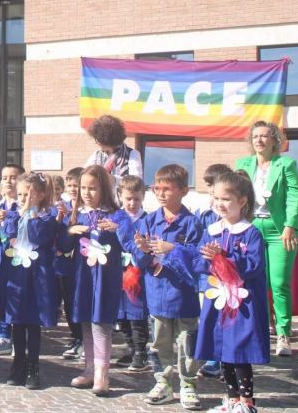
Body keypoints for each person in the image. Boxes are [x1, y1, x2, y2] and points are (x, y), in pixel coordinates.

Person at [194, 171, 269, 413]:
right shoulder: (212, 230)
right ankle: (230, 399)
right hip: (219, 299)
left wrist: (225, 258)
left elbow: (254, 265)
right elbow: (200, 262)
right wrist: (209, 258)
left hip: (242, 303)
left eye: (226, 199)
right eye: (216, 198)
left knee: (239, 349)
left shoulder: (251, 232)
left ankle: (247, 402)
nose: (220, 204)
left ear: (243, 201)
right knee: (222, 349)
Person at [134, 164, 203, 410]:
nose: (161, 193)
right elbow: (139, 259)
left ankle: (188, 384)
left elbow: (198, 258)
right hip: (158, 293)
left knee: (187, 342)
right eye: (157, 188)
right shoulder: (149, 221)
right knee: (159, 342)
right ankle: (163, 382)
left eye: (167, 189)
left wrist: (173, 249)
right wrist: (142, 251)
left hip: (184, 295)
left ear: (183, 190)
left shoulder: (192, 223)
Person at [235, 120, 298, 356]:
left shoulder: (286, 163)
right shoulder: (242, 163)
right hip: (252, 228)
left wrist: (290, 225)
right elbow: (234, 194)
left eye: (265, 136)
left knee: (278, 283)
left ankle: (284, 334)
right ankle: (260, 330)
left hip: (279, 230)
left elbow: (295, 196)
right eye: (255, 136)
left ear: (275, 140)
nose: (259, 140)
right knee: (255, 282)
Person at [67, 166, 127, 395]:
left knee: (100, 323)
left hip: (105, 277)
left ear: (104, 188)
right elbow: (63, 247)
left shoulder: (115, 215)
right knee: (85, 321)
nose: (86, 193)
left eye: (92, 188)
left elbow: (126, 241)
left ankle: (102, 373)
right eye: (83, 188)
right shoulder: (78, 214)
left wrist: (116, 229)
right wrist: (70, 230)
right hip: (83, 277)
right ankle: (89, 368)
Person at [1, 173, 60, 390]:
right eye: (21, 195)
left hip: (38, 274)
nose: (24, 199)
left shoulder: (46, 217)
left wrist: (32, 214)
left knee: (33, 322)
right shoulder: (14, 214)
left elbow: (37, 237)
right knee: (17, 320)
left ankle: (33, 366)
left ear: (41, 195)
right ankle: (18, 364)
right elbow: (9, 233)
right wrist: (20, 212)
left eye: (30, 195)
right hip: (18, 273)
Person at [196, 163, 233, 379]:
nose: (210, 189)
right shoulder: (204, 214)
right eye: (208, 185)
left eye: (214, 184)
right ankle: (212, 359)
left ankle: (226, 359)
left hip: (228, 278)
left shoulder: (234, 214)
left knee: (226, 319)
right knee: (208, 318)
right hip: (207, 277)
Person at [0, 163, 24, 356]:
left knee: (16, 295)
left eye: (13, 177)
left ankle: (17, 337)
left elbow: (31, 217)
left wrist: (10, 215)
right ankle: (4, 335)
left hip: (17, 257)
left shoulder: (23, 205)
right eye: (5, 177)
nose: (9, 181)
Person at [114, 175, 151, 372]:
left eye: (136, 199)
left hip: (138, 273)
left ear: (143, 196)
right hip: (118, 271)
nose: (132, 203)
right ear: (120, 196)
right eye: (128, 198)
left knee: (137, 314)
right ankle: (130, 348)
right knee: (121, 315)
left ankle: (141, 352)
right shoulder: (116, 217)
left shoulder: (147, 220)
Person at [57, 166, 84, 359]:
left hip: (82, 263)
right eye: (70, 185)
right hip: (65, 264)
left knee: (79, 302)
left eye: (77, 185)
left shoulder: (85, 210)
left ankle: (84, 339)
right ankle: (75, 336)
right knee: (68, 303)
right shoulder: (63, 208)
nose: (73, 189)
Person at [84, 115, 143, 184]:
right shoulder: (96, 155)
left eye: (97, 139)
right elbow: (85, 174)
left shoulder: (132, 154)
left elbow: (136, 181)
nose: (96, 142)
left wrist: (112, 179)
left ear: (106, 140)